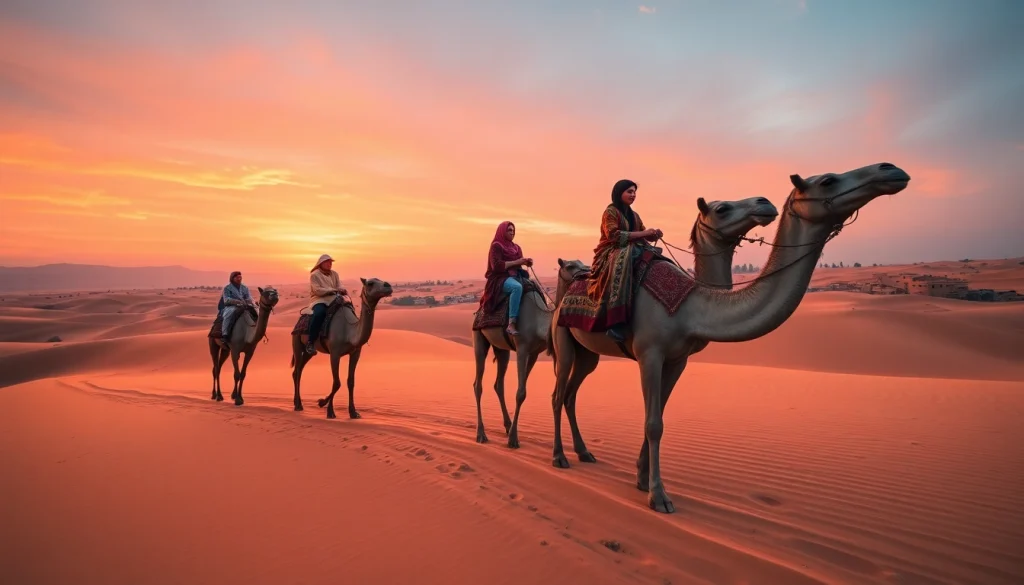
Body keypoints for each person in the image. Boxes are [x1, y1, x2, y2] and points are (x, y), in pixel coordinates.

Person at [588, 179, 661, 343]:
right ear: (619, 192)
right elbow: (614, 236)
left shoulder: (634, 215)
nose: (633, 195)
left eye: (634, 192)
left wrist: (652, 234)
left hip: (633, 248)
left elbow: (642, 234)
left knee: (656, 257)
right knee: (623, 260)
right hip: (611, 251)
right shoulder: (610, 212)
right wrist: (643, 234)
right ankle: (615, 321)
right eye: (629, 191)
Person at [479, 221, 532, 336]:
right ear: (502, 231)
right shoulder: (496, 246)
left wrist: (526, 262)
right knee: (517, 288)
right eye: (509, 230)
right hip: (500, 278)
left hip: (516, 275)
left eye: (513, 230)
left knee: (533, 286)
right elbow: (496, 266)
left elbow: (518, 264)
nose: (512, 233)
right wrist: (517, 262)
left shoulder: (516, 247)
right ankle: (511, 324)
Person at [306, 254, 347, 355]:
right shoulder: (315, 275)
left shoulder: (334, 274)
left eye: (331, 262)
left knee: (347, 309)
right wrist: (333, 290)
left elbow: (339, 285)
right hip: (319, 299)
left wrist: (341, 289)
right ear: (321, 263)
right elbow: (317, 290)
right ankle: (310, 342)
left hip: (334, 298)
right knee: (320, 313)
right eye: (327, 262)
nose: (330, 264)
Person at [220, 271, 255, 339]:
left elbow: (249, 297)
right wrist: (237, 301)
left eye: (240, 277)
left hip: (245, 305)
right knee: (229, 315)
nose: (239, 278)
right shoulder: (227, 288)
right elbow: (226, 300)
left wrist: (248, 301)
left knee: (256, 310)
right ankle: (225, 333)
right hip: (232, 306)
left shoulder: (244, 288)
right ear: (232, 278)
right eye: (237, 277)